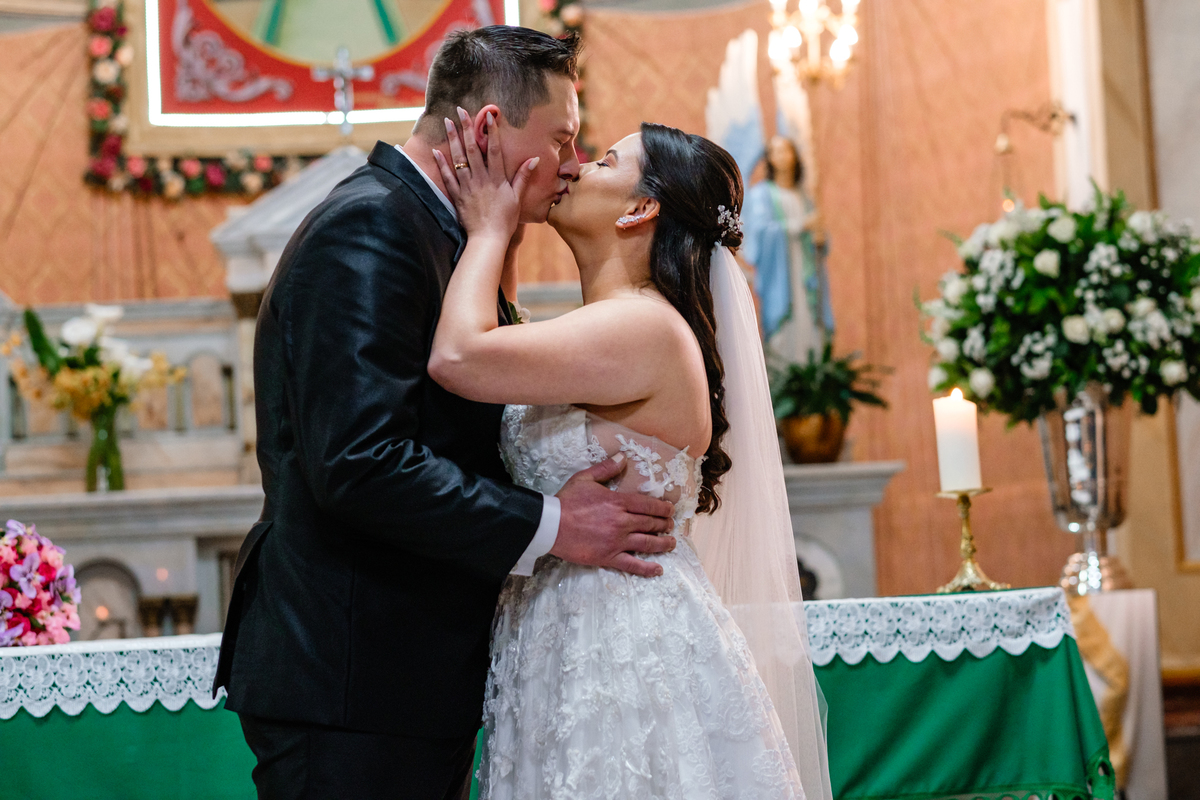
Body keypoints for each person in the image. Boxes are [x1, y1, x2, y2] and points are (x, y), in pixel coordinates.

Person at [213, 27, 679, 800]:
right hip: (351, 679)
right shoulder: (371, 228)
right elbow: (362, 462)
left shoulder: (438, 234)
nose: (571, 161)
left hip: (397, 675)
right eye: (561, 138)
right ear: (491, 128)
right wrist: (558, 525)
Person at [430, 119, 832, 799]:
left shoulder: (642, 327)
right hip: (563, 634)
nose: (574, 166)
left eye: (604, 161)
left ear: (641, 207)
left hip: (624, 650)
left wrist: (492, 228)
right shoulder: (609, 327)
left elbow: (460, 356)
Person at [741, 135, 834, 363]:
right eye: (776, 151)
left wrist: (819, 239)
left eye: (786, 150)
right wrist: (799, 226)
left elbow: (821, 242)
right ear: (769, 159)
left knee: (811, 327)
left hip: (806, 274)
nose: (782, 156)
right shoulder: (762, 194)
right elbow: (760, 233)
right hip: (781, 277)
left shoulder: (804, 197)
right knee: (785, 334)